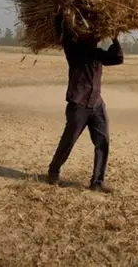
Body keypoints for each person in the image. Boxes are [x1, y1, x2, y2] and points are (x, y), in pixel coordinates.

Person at [47, 15, 124, 193]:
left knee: (102, 142)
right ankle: (53, 171)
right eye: (91, 34)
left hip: (97, 104)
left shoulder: (98, 54)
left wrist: (114, 37)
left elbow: (118, 58)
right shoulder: (73, 51)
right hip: (78, 104)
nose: (95, 37)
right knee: (69, 140)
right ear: (82, 35)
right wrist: (65, 13)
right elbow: (62, 31)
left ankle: (97, 182)